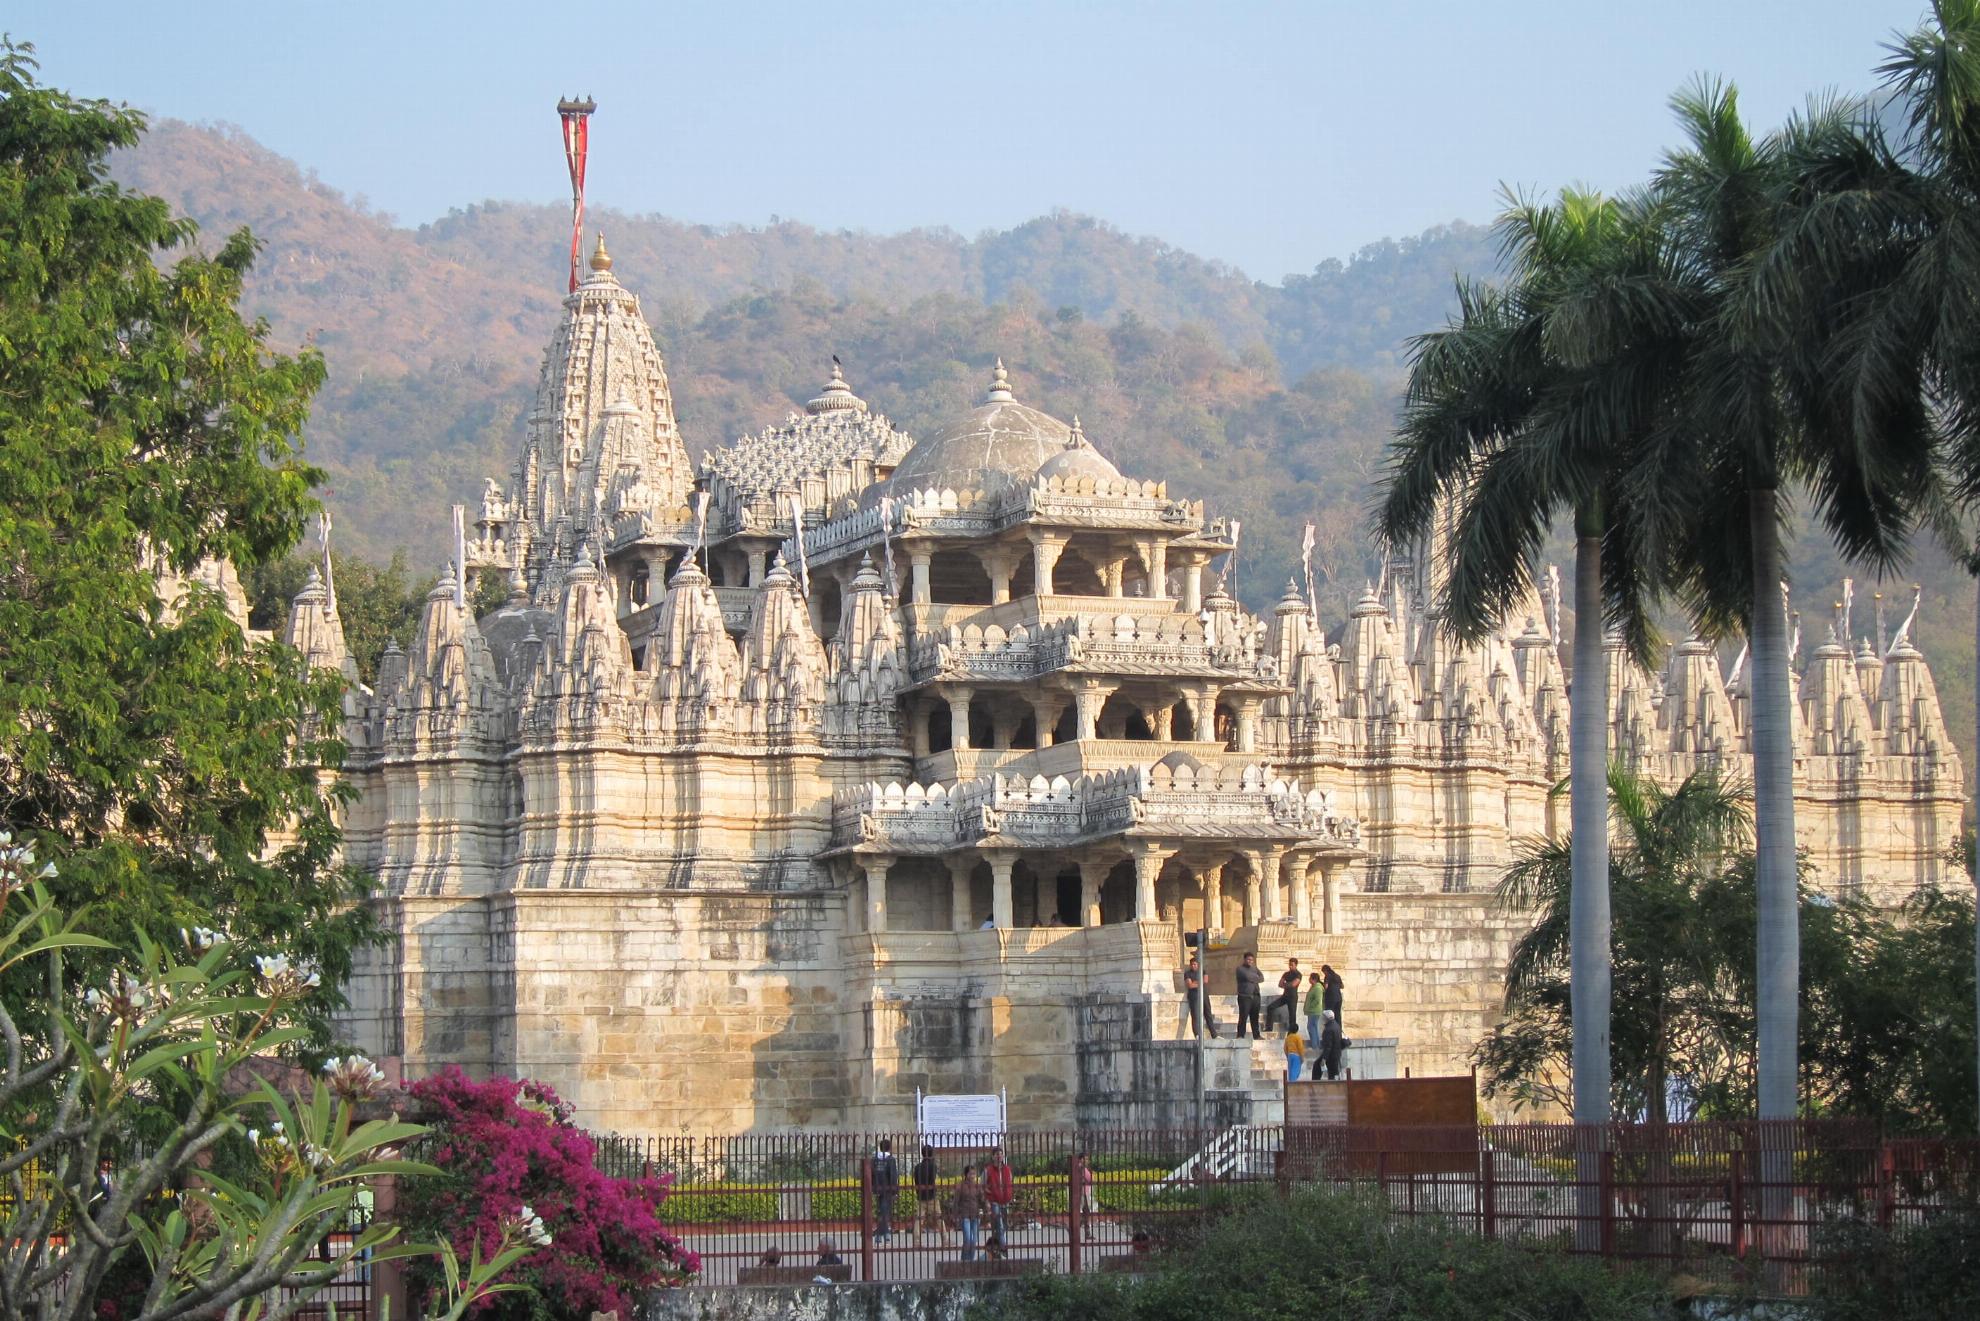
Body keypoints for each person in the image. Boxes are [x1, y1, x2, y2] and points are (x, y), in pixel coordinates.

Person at [983, 1145, 1014, 1246]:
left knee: (1003, 1226)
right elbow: (982, 1185)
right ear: (993, 1157)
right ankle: (1003, 1248)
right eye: (997, 1155)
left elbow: (1010, 1182)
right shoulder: (988, 1170)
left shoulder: (1007, 1169)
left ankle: (995, 1245)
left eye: (1001, 1154)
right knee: (999, 1225)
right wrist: (987, 1197)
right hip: (994, 1201)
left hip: (1005, 1200)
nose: (999, 1156)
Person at [1182, 955, 1220, 1038]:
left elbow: (1205, 981)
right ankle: (1197, 1034)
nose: (1193, 966)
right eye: (1192, 964)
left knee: (1208, 1014)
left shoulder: (1203, 971)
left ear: (1198, 965)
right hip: (1193, 996)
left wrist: (1195, 982)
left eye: (1195, 964)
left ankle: (1214, 1034)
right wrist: (1199, 982)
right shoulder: (1187, 973)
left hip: (1204, 994)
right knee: (1195, 1015)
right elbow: (1190, 985)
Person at [871, 1138, 899, 1243]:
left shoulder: (875, 1159)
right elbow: (893, 1176)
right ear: (889, 1148)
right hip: (887, 1189)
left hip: (877, 1188)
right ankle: (884, 1233)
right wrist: (895, 1191)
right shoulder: (890, 1159)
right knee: (885, 1211)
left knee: (881, 1210)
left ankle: (881, 1233)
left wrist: (873, 1187)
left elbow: (872, 1174)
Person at [954, 1165, 984, 1261]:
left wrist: (986, 1208)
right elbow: (956, 1201)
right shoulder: (961, 1186)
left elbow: (982, 1199)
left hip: (975, 1215)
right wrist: (955, 1215)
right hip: (965, 1215)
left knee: (974, 1241)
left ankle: (970, 1261)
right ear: (966, 1174)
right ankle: (964, 1260)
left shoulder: (977, 1186)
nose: (972, 1176)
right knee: (968, 1239)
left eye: (974, 1173)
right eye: (970, 1173)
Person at [912, 1143, 941, 1239]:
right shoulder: (933, 1166)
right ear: (931, 1153)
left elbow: (916, 1181)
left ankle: (916, 1241)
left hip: (921, 1196)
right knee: (939, 1218)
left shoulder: (917, 1167)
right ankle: (945, 1239)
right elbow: (932, 1179)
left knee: (918, 1220)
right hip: (931, 1196)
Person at [1267, 956, 1302, 1034]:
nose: (1290, 966)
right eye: (1289, 964)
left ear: (1296, 965)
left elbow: (1294, 984)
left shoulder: (1298, 974)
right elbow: (1280, 984)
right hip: (1285, 996)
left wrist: (1285, 984)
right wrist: (1287, 984)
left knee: (1292, 1016)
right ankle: (1269, 1027)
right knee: (1270, 1007)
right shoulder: (1286, 974)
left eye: (1292, 965)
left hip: (1292, 997)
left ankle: (1292, 1033)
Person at [1234, 952, 1264, 1038]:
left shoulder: (1255, 968)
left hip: (1255, 995)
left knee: (1255, 1017)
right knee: (1243, 1017)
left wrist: (1254, 978)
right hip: (1245, 996)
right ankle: (1240, 1035)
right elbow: (1248, 977)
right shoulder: (1240, 969)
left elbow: (1262, 978)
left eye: (1251, 960)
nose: (1250, 961)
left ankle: (1256, 1035)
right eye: (1248, 959)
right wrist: (1255, 977)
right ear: (1244, 960)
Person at [1072, 1152, 1098, 1239]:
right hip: (1081, 1193)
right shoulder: (1079, 1168)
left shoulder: (1085, 1168)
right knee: (1082, 1213)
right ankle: (1075, 1231)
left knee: (1086, 1213)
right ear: (1081, 1159)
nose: (1087, 1161)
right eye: (1086, 1159)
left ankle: (1086, 1232)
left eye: (1087, 1159)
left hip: (1086, 1192)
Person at [1319, 1009, 1345, 1080]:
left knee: (1332, 1076)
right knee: (1336, 1073)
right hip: (1337, 1053)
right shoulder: (1337, 1026)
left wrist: (1324, 1059)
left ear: (1326, 1018)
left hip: (1331, 1056)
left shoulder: (1328, 1029)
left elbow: (1328, 1046)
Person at [1303, 970, 1325, 1046]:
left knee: (1311, 1028)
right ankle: (1316, 1044)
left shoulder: (1318, 988)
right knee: (1313, 1027)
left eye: (1310, 978)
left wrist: (1310, 1007)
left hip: (1314, 1011)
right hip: (1312, 1011)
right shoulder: (1313, 987)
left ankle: (1314, 1045)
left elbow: (1317, 1000)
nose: (1309, 980)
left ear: (1314, 979)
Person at [1321, 963, 1344, 1030]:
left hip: (1331, 998)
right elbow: (1342, 986)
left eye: (1323, 972)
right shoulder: (1337, 976)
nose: (1324, 973)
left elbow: (1326, 986)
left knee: (1330, 1015)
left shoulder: (1327, 976)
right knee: (1338, 1015)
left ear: (1325, 971)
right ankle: (1339, 1030)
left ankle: (1332, 1030)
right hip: (1339, 998)